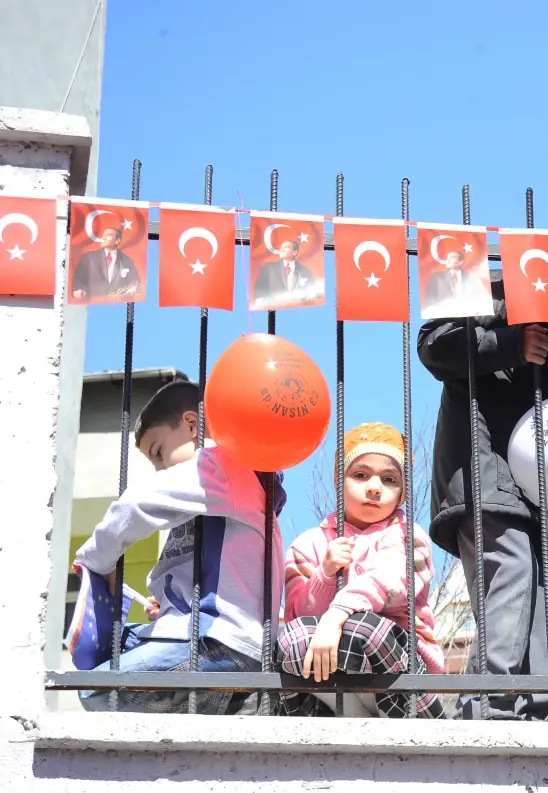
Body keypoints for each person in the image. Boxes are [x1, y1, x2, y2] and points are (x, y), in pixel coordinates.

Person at [417, 224, 548, 721]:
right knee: (513, 568)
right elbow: (435, 345)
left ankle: (535, 707)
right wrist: (511, 340)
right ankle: (489, 703)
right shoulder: (491, 285)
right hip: (487, 471)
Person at [73, 379, 285, 714]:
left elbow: (134, 506)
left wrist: (96, 562)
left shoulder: (218, 466)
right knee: (116, 647)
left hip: (216, 641)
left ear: (191, 424)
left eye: (158, 451)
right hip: (236, 648)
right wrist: (171, 607)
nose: (160, 469)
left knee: (95, 689)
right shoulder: (227, 491)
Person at [276, 422, 445, 718]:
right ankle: (339, 718)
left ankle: (405, 717)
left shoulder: (409, 536)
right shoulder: (308, 544)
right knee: (292, 637)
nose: (375, 487)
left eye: (390, 479)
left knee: (364, 627)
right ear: (339, 483)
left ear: (402, 492)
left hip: (397, 663)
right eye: (360, 475)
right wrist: (326, 575)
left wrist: (336, 615)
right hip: (333, 676)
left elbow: (393, 584)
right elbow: (298, 614)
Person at [71, 225, 142, 301]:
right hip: (92, 301)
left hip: (115, 305)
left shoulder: (126, 260)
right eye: (103, 235)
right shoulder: (90, 257)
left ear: (117, 240)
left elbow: (136, 284)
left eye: (108, 235)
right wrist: (78, 288)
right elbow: (79, 276)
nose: (103, 238)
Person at [252, 239, 323, 309]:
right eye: (281, 247)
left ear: (295, 252)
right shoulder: (269, 268)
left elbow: (314, 292)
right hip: (274, 310)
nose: (281, 249)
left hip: (297, 313)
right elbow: (259, 290)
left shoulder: (305, 271)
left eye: (286, 247)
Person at [423, 249, 494, 316]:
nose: (448, 260)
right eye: (447, 258)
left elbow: (482, 297)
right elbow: (429, 298)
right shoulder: (436, 277)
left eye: (452, 258)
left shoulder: (471, 278)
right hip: (443, 316)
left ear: (460, 262)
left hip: (469, 317)